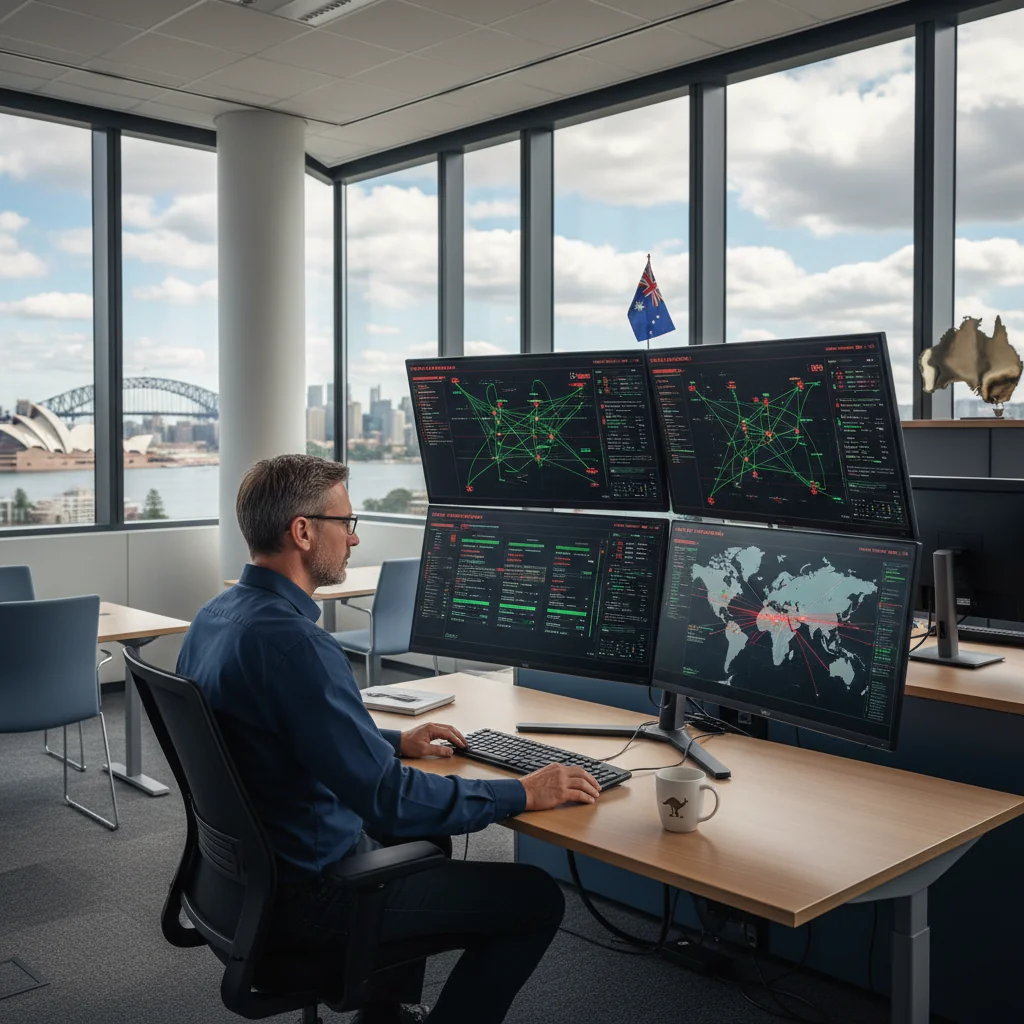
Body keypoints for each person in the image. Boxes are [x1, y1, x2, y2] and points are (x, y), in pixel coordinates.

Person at [177, 454, 602, 1024]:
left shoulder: (214, 618)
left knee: (425, 833)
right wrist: (524, 792)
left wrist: (396, 740)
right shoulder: (299, 646)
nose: (353, 539)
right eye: (345, 522)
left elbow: (273, 729)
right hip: (309, 901)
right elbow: (390, 799)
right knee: (535, 899)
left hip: (238, 885)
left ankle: (382, 1015)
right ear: (303, 532)